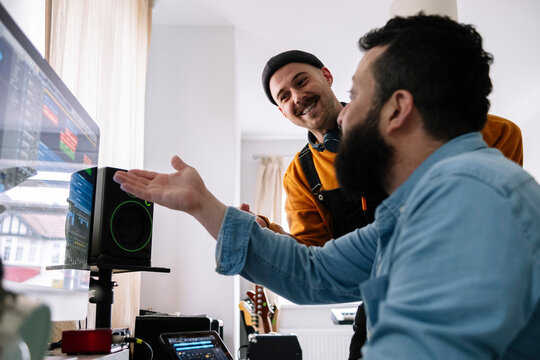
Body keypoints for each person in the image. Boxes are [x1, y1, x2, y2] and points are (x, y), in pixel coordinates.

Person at [113, 14, 540, 359]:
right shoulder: (414, 210)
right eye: (284, 95)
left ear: (397, 110)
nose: (346, 117)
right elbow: (312, 270)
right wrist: (201, 204)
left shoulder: (472, 201)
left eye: (359, 95)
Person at [253, 49, 523, 358]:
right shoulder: (300, 175)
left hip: (455, 293)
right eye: (284, 96)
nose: (297, 97)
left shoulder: (396, 119)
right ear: (282, 111)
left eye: (302, 82)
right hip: (378, 307)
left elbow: (505, 133)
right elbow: (314, 256)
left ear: (326, 76)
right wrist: (268, 232)